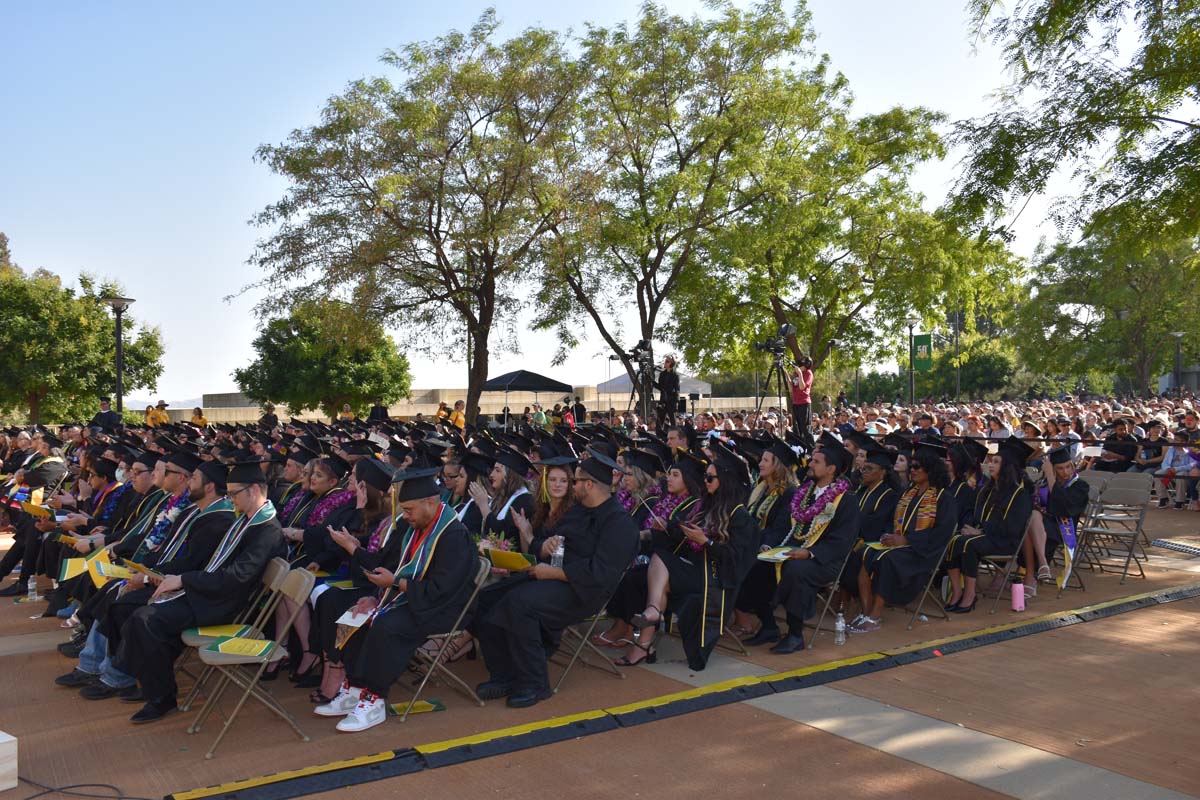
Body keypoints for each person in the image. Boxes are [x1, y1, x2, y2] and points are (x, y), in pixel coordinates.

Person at [111, 457, 284, 723]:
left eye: (234, 493)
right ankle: (153, 682)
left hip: (224, 604)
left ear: (253, 490)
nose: (230, 499)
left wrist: (183, 580)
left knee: (145, 618)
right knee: (135, 610)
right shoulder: (246, 519)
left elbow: (238, 577)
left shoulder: (267, 530)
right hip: (209, 592)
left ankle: (161, 696)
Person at [312, 466, 477, 732]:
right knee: (355, 613)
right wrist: (376, 595)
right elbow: (389, 567)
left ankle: (374, 698)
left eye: (410, 509)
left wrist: (395, 585)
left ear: (431, 502)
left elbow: (442, 588)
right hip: (411, 597)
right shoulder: (412, 527)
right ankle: (354, 687)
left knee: (387, 625)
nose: (405, 515)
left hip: (443, 607)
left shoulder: (453, 536)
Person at [474, 449, 638, 709]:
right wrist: (545, 546)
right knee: (486, 599)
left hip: (583, 592)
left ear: (589, 485)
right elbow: (544, 542)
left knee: (520, 603)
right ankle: (504, 673)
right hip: (551, 577)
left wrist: (553, 572)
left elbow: (600, 573)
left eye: (576, 481)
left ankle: (534, 683)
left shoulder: (619, 523)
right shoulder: (579, 511)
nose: (572, 486)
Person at [626, 442, 756, 670]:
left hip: (713, 580)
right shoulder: (707, 506)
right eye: (705, 477)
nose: (705, 482)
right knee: (658, 562)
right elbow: (684, 534)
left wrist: (707, 542)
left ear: (725, 480)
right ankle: (649, 627)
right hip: (695, 569)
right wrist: (671, 528)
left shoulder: (739, 516)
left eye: (710, 478)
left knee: (660, 571)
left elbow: (738, 559)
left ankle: (647, 633)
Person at [850, 441, 956, 633]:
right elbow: (895, 522)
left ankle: (875, 617)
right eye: (912, 466)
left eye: (916, 467)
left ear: (930, 470)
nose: (911, 470)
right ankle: (866, 612)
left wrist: (907, 540)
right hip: (903, 545)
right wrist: (890, 536)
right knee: (864, 552)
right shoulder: (909, 493)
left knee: (887, 559)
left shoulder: (943, 498)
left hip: (923, 553)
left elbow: (941, 534)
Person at [765, 441, 859, 653]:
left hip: (826, 560)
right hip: (795, 551)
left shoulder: (846, 501)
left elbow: (842, 541)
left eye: (816, 462)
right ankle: (766, 623)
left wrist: (809, 553)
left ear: (831, 469)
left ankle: (795, 634)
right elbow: (793, 529)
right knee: (762, 562)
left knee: (797, 571)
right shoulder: (805, 494)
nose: (810, 464)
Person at [944, 437, 1034, 612]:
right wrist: (969, 527)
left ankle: (970, 594)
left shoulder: (1019, 494)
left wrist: (980, 531)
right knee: (953, 540)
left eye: (997, 462)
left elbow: (1012, 528)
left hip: (1005, 541)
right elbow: (975, 514)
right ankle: (956, 591)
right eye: (991, 461)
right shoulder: (987, 489)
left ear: (1007, 467)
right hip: (985, 536)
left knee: (968, 544)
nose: (991, 464)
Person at [736, 437, 801, 644]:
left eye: (766, 460)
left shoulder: (790, 493)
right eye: (761, 459)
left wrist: (760, 544)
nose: (760, 463)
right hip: (754, 544)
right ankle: (766, 625)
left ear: (778, 466)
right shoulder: (761, 489)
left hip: (775, 551)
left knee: (752, 568)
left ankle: (769, 625)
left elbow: (780, 528)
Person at [1028, 447, 1089, 588]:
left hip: (1061, 528)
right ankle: (1036, 570)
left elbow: (1064, 509)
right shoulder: (1041, 484)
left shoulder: (1080, 486)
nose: (1066, 472)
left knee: (1034, 530)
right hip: (1039, 525)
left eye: (1068, 466)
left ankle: (1031, 575)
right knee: (1030, 520)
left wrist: (1050, 476)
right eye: (1060, 468)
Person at [790, 356, 814, 450]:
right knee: (797, 426)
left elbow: (801, 387)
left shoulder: (808, 373)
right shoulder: (796, 374)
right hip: (796, 403)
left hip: (804, 403)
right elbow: (793, 387)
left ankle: (811, 449)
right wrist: (788, 375)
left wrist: (800, 374)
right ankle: (799, 447)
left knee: (805, 427)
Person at [655, 355, 681, 431]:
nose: (665, 363)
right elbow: (660, 387)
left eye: (667, 361)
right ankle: (659, 437)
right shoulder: (662, 374)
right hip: (663, 400)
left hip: (671, 401)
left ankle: (675, 437)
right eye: (665, 361)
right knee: (660, 421)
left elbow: (677, 389)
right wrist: (652, 382)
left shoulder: (675, 375)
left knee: (673, 421)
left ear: (672, 364)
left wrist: (676, 402)